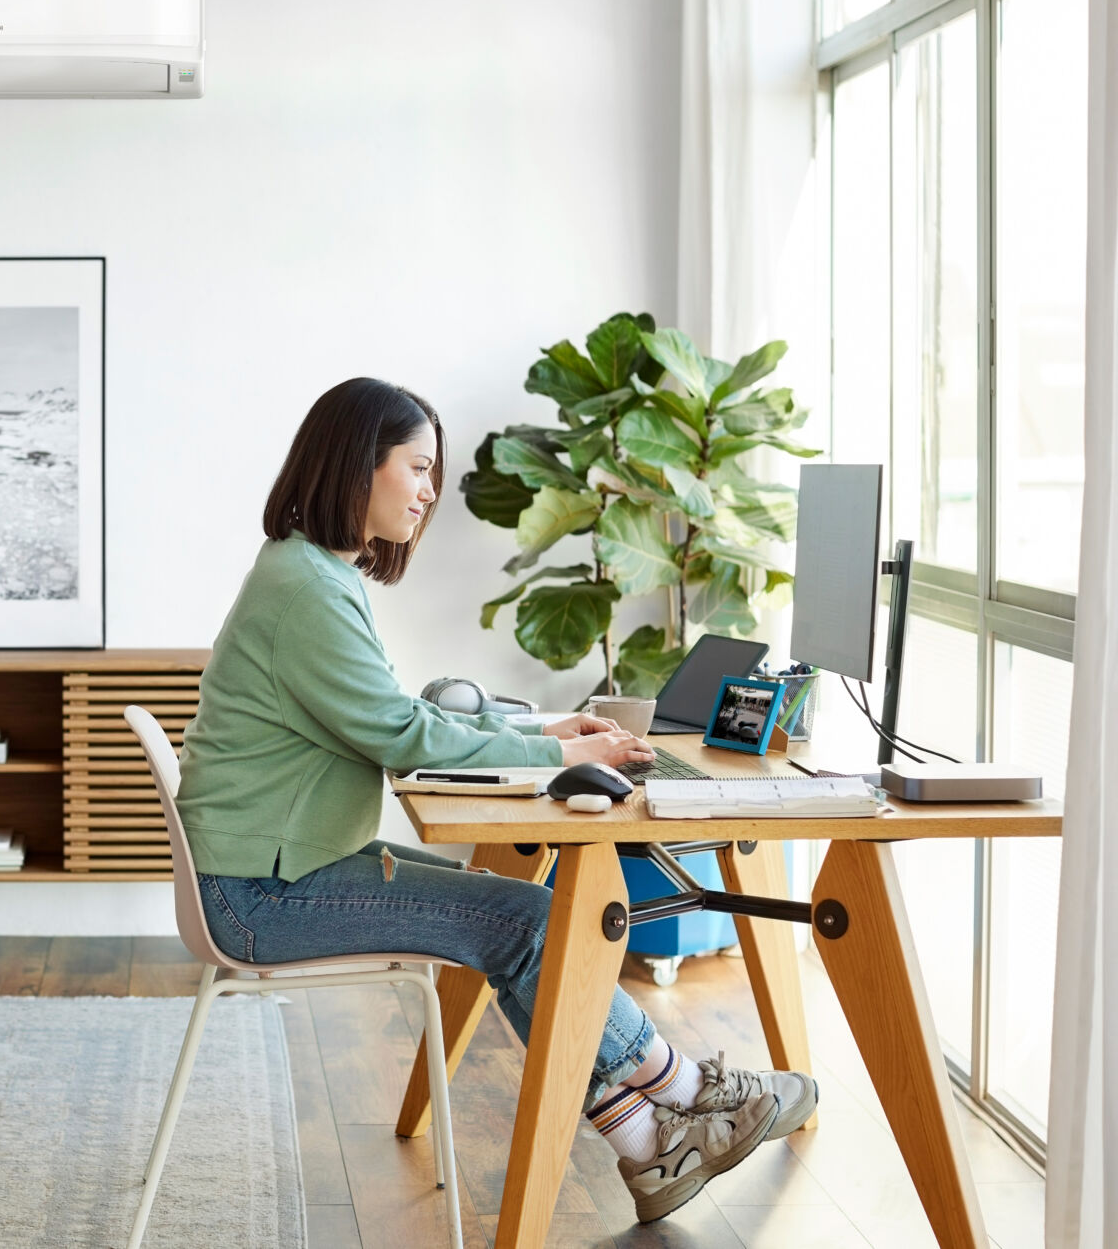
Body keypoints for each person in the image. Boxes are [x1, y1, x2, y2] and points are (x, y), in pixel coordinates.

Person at [175, 377, 816, 1224]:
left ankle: (650, 1148)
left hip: (278, 869)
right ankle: (689, 1086)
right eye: (418, 466)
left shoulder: (308, 572)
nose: (430, 490)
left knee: (526, 926)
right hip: (261, 895)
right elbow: (404, 734)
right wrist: (556, 751)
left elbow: (393, 715)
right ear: (357, 464)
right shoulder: (305, 587)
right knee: (531, 923)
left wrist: (549, 729)